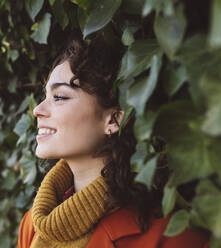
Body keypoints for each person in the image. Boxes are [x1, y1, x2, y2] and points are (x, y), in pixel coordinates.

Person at [18, 34, 209, 248]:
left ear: (114, 118)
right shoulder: (31, 226)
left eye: (60, 97)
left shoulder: (169, 236)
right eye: (45, 96)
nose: (37, 110)